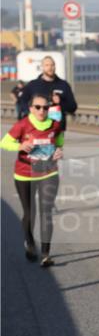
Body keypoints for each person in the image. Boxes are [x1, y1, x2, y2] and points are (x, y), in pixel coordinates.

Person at [1, 93, 64, 267]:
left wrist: (59, 151)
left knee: (46, 212)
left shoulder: (54, 125)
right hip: (24, 174)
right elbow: (4, 142)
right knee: (30, 212)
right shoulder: (23, 125)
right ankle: (29, 243)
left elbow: (59, 141)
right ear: (31, 108)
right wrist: (19, 145)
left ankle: (45, 254)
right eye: (38, 107)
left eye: (45, 107)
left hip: (49, 172)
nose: (42, 110)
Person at [18, 56, 78, 127]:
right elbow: (22, 101)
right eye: (47, 65)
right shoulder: (33, 85)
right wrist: (31, 112)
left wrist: (60, 102)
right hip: (36, 127)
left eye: (52, 65)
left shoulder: (63, 85)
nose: (50, 68)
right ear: (42, 67)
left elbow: (73, 107)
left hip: (57, 129)